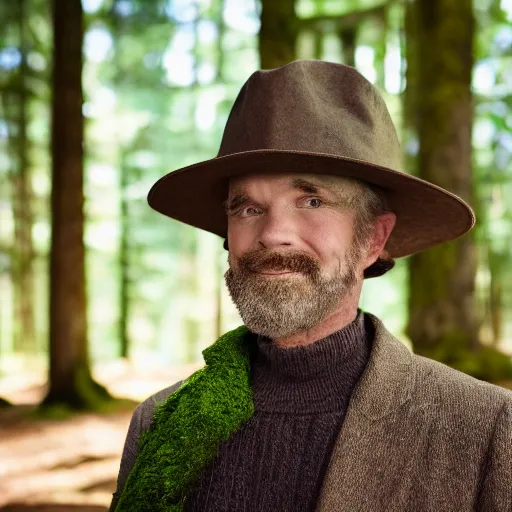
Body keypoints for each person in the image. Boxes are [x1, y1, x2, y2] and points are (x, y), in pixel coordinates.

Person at [109, 60, 512, 512]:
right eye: (247, 209)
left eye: (312, 200)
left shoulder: (486, 429)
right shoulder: (160, 423)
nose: (272, 233)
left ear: (374, 239)